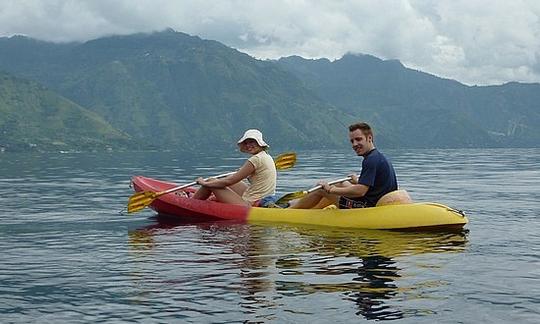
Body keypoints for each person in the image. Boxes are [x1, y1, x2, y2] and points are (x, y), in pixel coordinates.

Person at [291, 122, 397, 209]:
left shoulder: (370, 160)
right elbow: (376, 186)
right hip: (374, 200)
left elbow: (360, 191)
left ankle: (291, 212)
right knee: (342, 183)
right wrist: (357, 181)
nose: (355, 144)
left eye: (358, 139)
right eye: (352, 141)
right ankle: (311, 208)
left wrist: (330, 190)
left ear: (369, 138)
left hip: (365, 207)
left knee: (320, 189)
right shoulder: (379, 157)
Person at [192, 129, 277, 206]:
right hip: (262, 198)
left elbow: (229, 181)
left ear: (259, 143)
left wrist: (204, 183)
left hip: (251, 203)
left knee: (211, 181)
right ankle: (205, 197)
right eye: (246, 143)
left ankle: (191, 203)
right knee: (226, 178)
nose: (248, 145)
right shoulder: (266, 156)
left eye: (252, 142)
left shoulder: (256, 159)